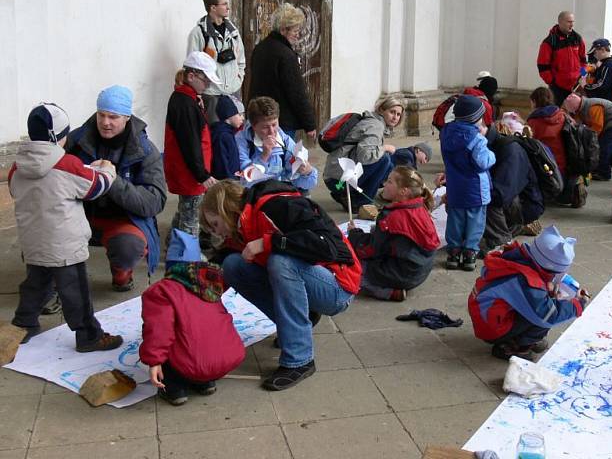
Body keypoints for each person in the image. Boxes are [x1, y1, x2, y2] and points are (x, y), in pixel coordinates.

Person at [200, 179, 360, 391]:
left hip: (339, 286)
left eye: (215, 224)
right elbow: (219, 266)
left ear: (226, 209)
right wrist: (191, 289)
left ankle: (300, 359)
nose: (216, 232)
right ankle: (303, 319)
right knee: (233, 265)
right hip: (313, 279)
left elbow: (327, 246)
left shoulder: (278, 206)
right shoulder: (242, 223)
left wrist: (268, 242)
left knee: (281, 261)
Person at [10, 103, 123, 352]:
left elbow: (22, 188)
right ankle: (89, 336)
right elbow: (95, 187)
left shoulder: (18, 167)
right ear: (60, 137)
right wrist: (107, 171)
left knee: (35, 286)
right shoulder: (67, 163)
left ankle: (23, 324)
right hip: (65, 246)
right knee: (76, 293)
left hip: (34, 243)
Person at [66, 85, 167, 291]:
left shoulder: (146, 151)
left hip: (123, 219)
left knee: (128, 247)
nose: (105, 122)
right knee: (44, 229)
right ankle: (54, 280)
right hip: (81, 215)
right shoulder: (75, 141)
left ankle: (122, 271)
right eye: (101, 115)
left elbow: (154, 202)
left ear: (127, 117)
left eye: (113, 117)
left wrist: (112, 181)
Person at [140, 229, 245, 406]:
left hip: (193, 363)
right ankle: (204, 382)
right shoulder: (210, 283)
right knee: (197, 333)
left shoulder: (161, 291)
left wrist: (154, 361)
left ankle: (174, 389)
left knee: (164, 337)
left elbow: (159, 331)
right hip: (229, 357)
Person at [468, 226, 589, 360]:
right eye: (556, 272)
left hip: (486, 314)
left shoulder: (518, 257)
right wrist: (577, 305)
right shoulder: (526, 280)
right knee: (543, 315)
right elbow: (548, 316)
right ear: (548, 267)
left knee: (544, 300)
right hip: (491, 328)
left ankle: (522, 338)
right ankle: (515, 348)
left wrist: (547, 289)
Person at [347, 167, 439, 301]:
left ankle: (390, 292)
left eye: (390, 182)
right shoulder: (420, 206)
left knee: (349, 269)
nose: (384, 184)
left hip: (402, 274)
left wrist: (354, 235)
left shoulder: (391, 217)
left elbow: (370, 250)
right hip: (420, 271)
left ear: (404, 191)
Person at [164, 52, 221, 237]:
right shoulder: (185, 103)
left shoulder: (188, 99)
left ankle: (174, 246)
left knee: (185, 210)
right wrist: (201, 174)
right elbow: (190, 143)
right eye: (206, 81)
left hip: (189, 170)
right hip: (190, 173)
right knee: (191, 217)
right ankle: (188, 258)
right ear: (191, 76)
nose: (208, 85)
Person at [440, 95, 496, 271]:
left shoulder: (446, 132)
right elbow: (483, 162)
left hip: (455, 186)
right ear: (475, 118)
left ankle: (453, 253)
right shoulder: (476, 139)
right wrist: (492, 154)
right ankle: (470, 253)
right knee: (475, 222)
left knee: (455, 220)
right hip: (475, 189)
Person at [248, 3, 317, 140]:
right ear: (283, 30)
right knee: (282, 157)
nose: (297, 35)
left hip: (260, 118)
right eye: (295, 31)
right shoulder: (286, 55)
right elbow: (296, 92)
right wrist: (309, 124)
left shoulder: (260, 48)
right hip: (281, 121)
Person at [323, 96, 405, 210]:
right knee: (384, 159)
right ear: (381, 110)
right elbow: (365, 156)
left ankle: (349, 195)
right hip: (338, 182)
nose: (395, 117)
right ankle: (360, 201)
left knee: (388, 164)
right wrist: (385, 147)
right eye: (392, 112)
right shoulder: (375, 125)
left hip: (334, 178)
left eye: (398, 114)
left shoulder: (373, 121)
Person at [481, 123, 545, 252]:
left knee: (480, 198)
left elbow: (501, 195)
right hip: (511, 196)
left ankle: (501, 241)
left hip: (525, 203)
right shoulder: (483, 145)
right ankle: (515, 226)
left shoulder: (510, 150)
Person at [186, 0, 246, 124]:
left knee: (236, 131)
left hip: (233, 92)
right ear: (213, 7)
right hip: (211, 95)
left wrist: (238, 78)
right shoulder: (199, 33)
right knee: (215, 132)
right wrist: (198, 93)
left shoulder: (233, 32)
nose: (228, 7)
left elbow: (241, 59)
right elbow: (192, 66)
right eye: (224, 4)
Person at [236, 96, 317, 193]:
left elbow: (301, 181)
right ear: (254, 126)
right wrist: (264, 157)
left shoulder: (283, 138)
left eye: (274, 125)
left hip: (279, 191)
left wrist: (307, 172)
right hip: (256, 194)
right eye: (265, 127)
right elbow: (246, 183)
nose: (272, 132)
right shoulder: (242, 142)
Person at [526, 87, 577, 205]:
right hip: (565, 165)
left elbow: (529, 143)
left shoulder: (534, 121)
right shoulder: (563, 116)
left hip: (547, 169)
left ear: (535, 101)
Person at [562, 93, 612, 182]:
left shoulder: (592, 107)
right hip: (606, 124)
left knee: (605, 148)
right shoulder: (580, 107)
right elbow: (578, 123)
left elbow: (597, 127)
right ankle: (601, 167)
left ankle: (604, 173)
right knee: (600, 147)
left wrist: (590, 140)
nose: (574, 114)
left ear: (576, 108)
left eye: (573, 112)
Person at [536, 11, 587, 106]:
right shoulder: (549, 42)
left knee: (576, 116)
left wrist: (582, 76)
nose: (572, 24)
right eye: (569, 22)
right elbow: (542, 66)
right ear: (560, 22)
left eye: (573, 22)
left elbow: (583, 61)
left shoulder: (578, 39)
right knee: (557, 114)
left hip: (576, 86)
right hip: (557, 88)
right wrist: (552, 82)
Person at [210, 95, 245, 181]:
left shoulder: (229, 133)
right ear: (229, 115)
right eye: (240, 114)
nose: (243, 118)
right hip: (227, 184)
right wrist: (230, 181)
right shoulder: (222, 136)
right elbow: (222, 163)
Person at [583, 38, 612, 104]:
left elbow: (602, 86)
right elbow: (581, 73)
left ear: (603, 50)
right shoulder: (605, 63)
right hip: (603, 101)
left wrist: (585, 86)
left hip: (605, 103)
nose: (594, 55)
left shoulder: (609, 65)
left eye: (595, 52)